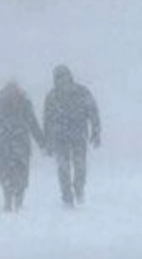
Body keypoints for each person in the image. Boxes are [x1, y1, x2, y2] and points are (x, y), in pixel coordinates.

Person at [42, 64, 100, 207]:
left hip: (78, 136)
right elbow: (47, 120)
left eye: (64, 77)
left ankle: (79, 188)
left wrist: (96, 131)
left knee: (80, 166)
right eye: (58, 78)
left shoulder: (82, 92)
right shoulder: (52, 96)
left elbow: (93, 112)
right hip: (59, 138)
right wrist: (47, 141)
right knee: (63, 168)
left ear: (69, 77)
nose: (62, 81)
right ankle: (67, 195)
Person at [0, 81, 44, 212]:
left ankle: (8, 199)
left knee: (4, 173)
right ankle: (18, 200)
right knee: (21, 172)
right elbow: (33, 124)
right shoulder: (24, 104)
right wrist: (41, 142)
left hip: (3, 144)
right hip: (20, 144)